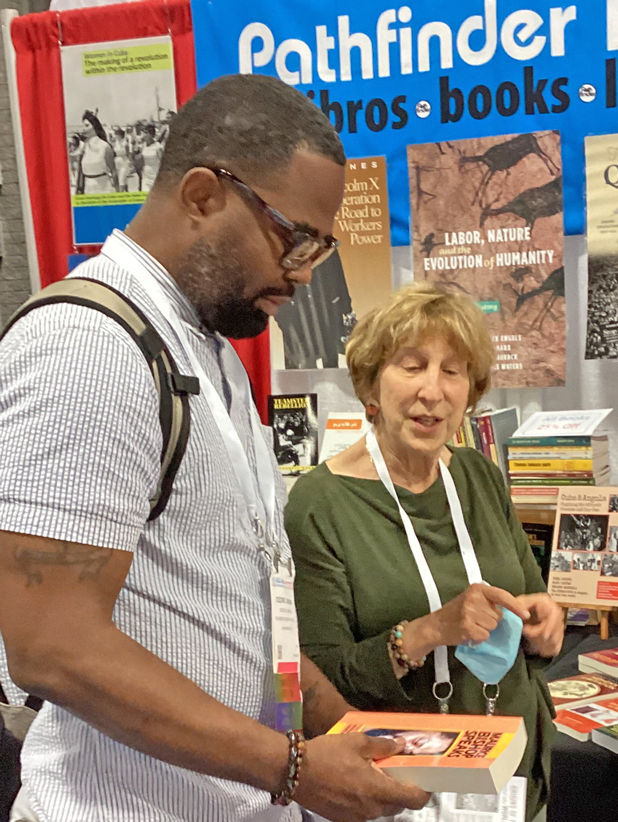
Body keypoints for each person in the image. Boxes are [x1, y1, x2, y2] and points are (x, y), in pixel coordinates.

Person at [0, 74, 429, 822]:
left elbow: (247, 610)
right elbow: (51, 645)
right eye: (293, 239)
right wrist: (294, 768)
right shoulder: (87, 347)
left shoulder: (209, 349)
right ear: (201, 195)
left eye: (320, 250)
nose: (301, 276)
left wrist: (349, 733)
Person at [286, 283, 563, 822]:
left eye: (452, 371)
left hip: (509, 779)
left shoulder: (480, 476)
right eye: (411, 366)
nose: (432, 391)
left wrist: (544, 618)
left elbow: (533, 595)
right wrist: (430, 631)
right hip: (402, 791)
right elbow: (314, 680)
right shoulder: (319, 503)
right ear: (371, 383)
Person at [78, 110, 118, 194]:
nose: (84, 129)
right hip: (88, 188)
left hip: (103, 188)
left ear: (94, 126)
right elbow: (80, 172)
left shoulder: (105, 146)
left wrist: (118, 194)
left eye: (87, 125)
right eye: (83, 126)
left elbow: (113, 171)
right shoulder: (83, 147)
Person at [140, 124, 164, 192]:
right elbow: (141, 160)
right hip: (145, 176)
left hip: (155, 176)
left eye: (146, 132)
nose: (144, 134)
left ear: (151, 134)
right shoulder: (143, 145)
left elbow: (162, 162)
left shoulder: (157, 147)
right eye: (144, 132)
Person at [112, 126, 133, 192]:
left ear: (121, 135)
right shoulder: (115, 143)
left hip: (124, 163)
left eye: (118, 134)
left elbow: (128, 154)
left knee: (121, 181)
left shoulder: (125, 143)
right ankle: (127, 194)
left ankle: (120, 196)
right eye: (116, 134)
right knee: (123, 181)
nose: (117, 136)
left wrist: (131, 164)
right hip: (117, 163)